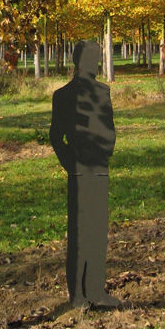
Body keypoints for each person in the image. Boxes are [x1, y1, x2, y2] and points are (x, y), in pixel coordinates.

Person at [49, 39, 118, 309]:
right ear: (78, 61)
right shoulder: (63, 96)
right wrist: (71, 164)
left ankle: (96, 290)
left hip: (100, 169)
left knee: (98, 231)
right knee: (79, 232)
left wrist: (106, 152)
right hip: (79, 171)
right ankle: (78, 295)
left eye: (98, 57)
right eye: (93, 58)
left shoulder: (103, 92)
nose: (97, 63)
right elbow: (57, 137)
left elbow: (108, 128)